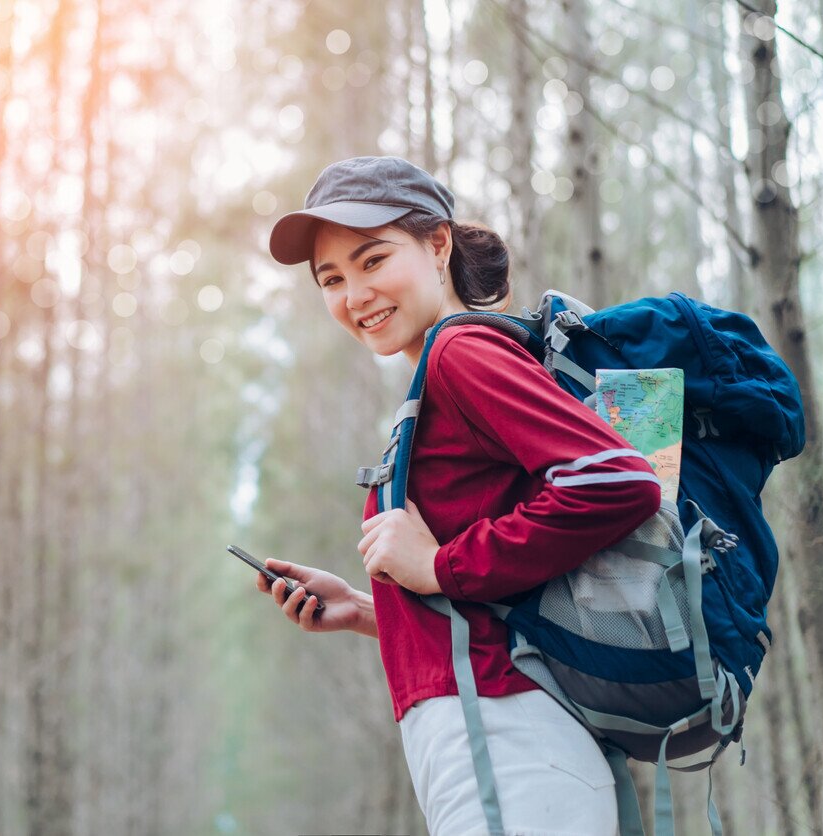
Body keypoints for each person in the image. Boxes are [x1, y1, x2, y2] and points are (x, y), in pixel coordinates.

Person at [256, 156, 662, 835]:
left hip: (508, 743)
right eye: (332, 278)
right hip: (509, 742)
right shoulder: (442, 375)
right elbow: (496, 612)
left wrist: (438, 566)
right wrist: (363, 610)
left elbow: (618, 481)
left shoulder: (459, 355)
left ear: (437, 244)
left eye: (373, 259)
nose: (355, 293)